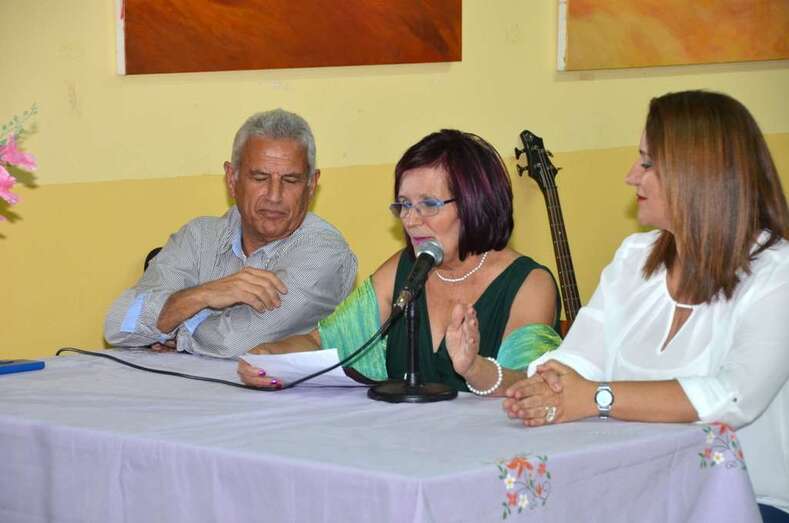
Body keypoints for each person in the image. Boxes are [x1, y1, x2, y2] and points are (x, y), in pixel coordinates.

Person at [502, 91, 789, 520]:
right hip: (635, 495)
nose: (631, 176)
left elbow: (732, 396)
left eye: (648, 163)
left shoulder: (777, 274)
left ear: (700, 173)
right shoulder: (635, 257)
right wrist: (546, 385)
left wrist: (596, 398)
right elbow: (577, 357)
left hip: (744, 504)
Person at [238, 129, 562, 395]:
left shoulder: (529, 284)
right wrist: (269, 356)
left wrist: (473, 367)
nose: (411, 220)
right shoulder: (403, 270)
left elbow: (531, 387)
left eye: (429, 205)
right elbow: (320, 343)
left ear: (476, 204)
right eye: (404, 205)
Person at [104, 109, 358, 358]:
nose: (274, 196)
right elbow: (117, 326)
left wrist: (172, 328)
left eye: (290, 181)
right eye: (260, 178)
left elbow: (236, 342)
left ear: (311, 185)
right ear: (232, 179)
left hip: (282, 398)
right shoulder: (199, 236)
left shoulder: (325, 252)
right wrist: (204, 294)